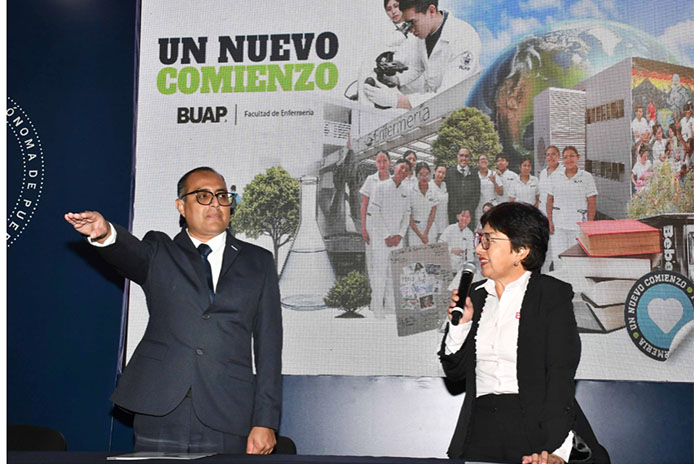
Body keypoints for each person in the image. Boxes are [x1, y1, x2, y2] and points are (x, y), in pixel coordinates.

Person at [64, 167, 282, 454]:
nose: (215, 203)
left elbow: (269, 347)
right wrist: (105, 233)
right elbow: (130, 253)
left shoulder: (259, 261)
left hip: (228, 410)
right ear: (181, 206)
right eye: (203, 196)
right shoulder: (159, 250)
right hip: (160, 406)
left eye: (222, 196)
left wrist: (265, 420)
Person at [440, 202, 610, 464]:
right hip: (480, 432)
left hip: (536, 431)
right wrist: (460, 326)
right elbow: (455, 373)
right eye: (479, 239)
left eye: (488, 241)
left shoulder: (551, 295)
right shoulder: (473, 296)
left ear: (521, 250)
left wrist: (555, 449)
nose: (479, 249)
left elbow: (560, 377)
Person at [363, 0, 481, 110]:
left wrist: (397, 101)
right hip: (433, 105)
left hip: (461, 107)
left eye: (413, 22)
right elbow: (416, 67)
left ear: (431, 11)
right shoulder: (423, 33)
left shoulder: (464, 37)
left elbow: (450, 94)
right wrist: (395, 80)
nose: (410, 30)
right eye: (407, 24)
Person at [368, 158, 412, 317]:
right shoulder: (380, 187)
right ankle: (377, 309)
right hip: (381, 239)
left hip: (397, 240)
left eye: (407, 169)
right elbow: (374, 212)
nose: (403, 171)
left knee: (394, 274)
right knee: (379, 273)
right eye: (402, 167)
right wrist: (386, 235)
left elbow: (407, 214)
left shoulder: (407, 190)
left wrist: (400, 234)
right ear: (394, 167)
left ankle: (391, 308)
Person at [546, 147, 598, 271]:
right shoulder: (555, 176)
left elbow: (591, 202)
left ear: (577, 157)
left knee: (576, 258)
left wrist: (589, 225)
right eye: (565, 157)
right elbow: (549, 200)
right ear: (562, 159)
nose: (569, 160)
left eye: (572, 156)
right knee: (558, 257)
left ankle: (575, 283)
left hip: (578, 225)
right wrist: (549, 221)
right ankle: (559, 282)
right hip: (559, 224)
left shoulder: (586, 177)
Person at [360, 151, 392, 281]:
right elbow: (364, 204)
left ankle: (388, 289)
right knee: (372, 257)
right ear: (376, 163)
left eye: (384, 161)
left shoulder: (394, 181)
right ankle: (374, 288)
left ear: (389, 162)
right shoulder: (370, 180)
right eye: (379, 161)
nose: (382, 164)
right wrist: (363, 228)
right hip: (372, 224)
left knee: (387, 257)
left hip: (388, 224)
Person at [446, 147, 480, 227]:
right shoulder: (449, 173)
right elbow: (449, 194)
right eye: (461, 155)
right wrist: (458, 211)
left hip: (469, 216)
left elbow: (476, 194)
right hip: (454, 216)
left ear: (469, 158)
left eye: (466, 156)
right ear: (457, 156)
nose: (464, 158)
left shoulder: (474, 174)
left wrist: (468, 210)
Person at [408, 162, 439, 246]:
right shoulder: (410, 191)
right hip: (415, 230)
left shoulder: (433, 190)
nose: (424, 177)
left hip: (429, 229)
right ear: (416, 175)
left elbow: (433, 213)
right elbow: (408, 215)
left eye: (427, 174)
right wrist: (420, 235)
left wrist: (426, 233)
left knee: (430, 253)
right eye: (421, 174)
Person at [438, 208, 474, 272]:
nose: (464, 219)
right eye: (462, 216)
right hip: (447, 267)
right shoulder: (450, 229)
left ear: (470, 219)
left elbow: (470, 254)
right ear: (457, 216)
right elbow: (439, 246)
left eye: (467, 217)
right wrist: (452, 250)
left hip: (461, 269)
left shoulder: (470, 234)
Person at [474, 153, 502, 224]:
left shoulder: (494, 174)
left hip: (492, 205)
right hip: (479, 207)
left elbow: (501, 192)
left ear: (488, 162)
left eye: (485, 159)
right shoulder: (474, 175)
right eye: (481, 159)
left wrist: (494, 181)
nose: (484, 161)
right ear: (478, 163)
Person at [429, 163, 448, 240]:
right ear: (434, 171)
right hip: (433, 225)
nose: (441, 175)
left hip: (444, 224)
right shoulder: (429, 186)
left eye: (443, 173)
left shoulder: (445, 185)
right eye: (439, 172)